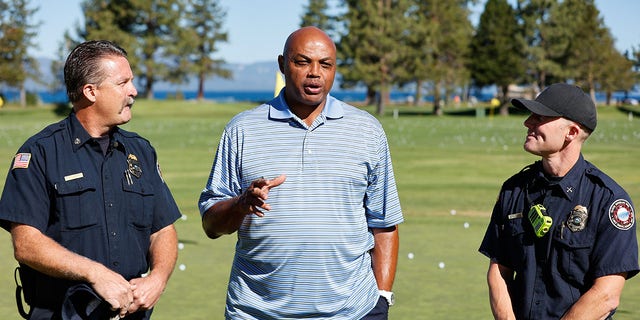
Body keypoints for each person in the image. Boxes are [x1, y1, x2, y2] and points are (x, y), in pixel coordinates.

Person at [198, 26, 404, 319]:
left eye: (325, 64)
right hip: (257, 312)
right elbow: (211, 225)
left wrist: (382, 297)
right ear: (282, 64)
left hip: (352, 311)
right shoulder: (242, 130)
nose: (315, 73)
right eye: (302, 61)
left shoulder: (367, 131)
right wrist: (242, 204)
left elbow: (384, 222)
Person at [0, 40, 182, 319]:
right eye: (123, 83)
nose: (133, 91)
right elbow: (26, 244)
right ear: (90, 91)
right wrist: (95, 274)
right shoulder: (39, 153)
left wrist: (157, 278)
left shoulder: (141, 151)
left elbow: (162, 230)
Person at [479, 83, 639, 319]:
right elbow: (499, 272)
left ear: (571, 132)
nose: (527, 122)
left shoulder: (609, 201)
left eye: (540, 117)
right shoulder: (514, 190)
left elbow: (606, 294)